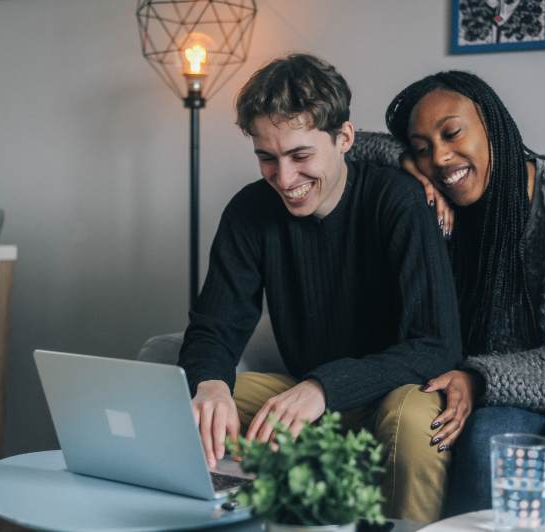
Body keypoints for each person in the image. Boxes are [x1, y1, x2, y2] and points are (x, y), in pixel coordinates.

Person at [349, 70, 545, 527]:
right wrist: (405, 163)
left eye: (452, 133)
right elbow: (342, 147)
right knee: (486, 439)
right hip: (533, 392)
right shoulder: (451, 216)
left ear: (492, 125)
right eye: (423, 147)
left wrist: (479, 377)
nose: (441, 156)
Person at [177, 54, 462, 522]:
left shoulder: (397, 200)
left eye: (300, 155)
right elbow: (213, 327)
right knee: (199, 409)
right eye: (267, 158)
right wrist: (209, 384)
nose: (284, 179)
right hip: (308, 391)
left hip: (393, 393)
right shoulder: (249, 212)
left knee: (415, 422)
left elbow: (437, 343)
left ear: (344, 138)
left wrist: (324, 387)